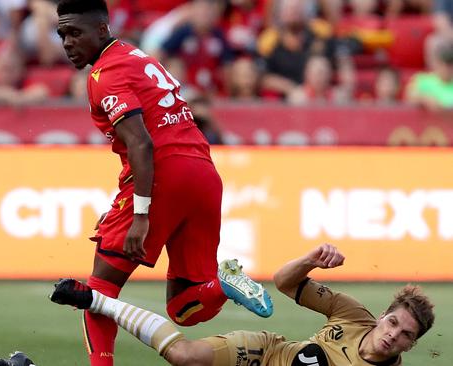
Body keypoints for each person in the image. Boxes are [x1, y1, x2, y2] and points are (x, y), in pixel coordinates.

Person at [45, 1, 273, 365]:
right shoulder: (138, 57)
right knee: (187, 307)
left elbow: (141, 143)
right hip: (203, 173)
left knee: (99, 288)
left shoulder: (105, 74)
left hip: (162, 174)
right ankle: (224, 284)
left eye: (75, 32)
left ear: (102, 29)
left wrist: (140, 213)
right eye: (62, 34)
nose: (67, 42)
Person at [41, 243, 435, 366]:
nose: (393, 336)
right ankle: (96, 298)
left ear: (410, 346)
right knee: (184, 355)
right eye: (393, 324)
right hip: (265, 352)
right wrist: (310, 261)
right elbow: (284, 282)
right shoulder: (353, 315)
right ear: (383, 316)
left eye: (405, 336)